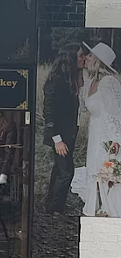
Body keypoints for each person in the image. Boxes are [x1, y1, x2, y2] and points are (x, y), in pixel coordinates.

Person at [72, 42, 121, 217]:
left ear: (98, 60)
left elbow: (116, 116)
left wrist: (115, 145)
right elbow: (85, 110)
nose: (86, 57)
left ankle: (110, 210)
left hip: (106, 135)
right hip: (95, 132)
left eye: (90, 55)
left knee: (107, 170)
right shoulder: (92, 81)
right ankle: (95, 208)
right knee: (93, 168)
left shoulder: (109, 82)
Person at [43, 43, 87, 213]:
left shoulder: (69, 78)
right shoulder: (56, 81)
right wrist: (57, 140)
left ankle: (51, 205)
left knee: (59, 169)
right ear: (70, 59)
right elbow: (49, 113)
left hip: (67, 134)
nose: (83, 58)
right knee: (67, 172)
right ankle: (56, 208)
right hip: (59, 136)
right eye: (80, 55)